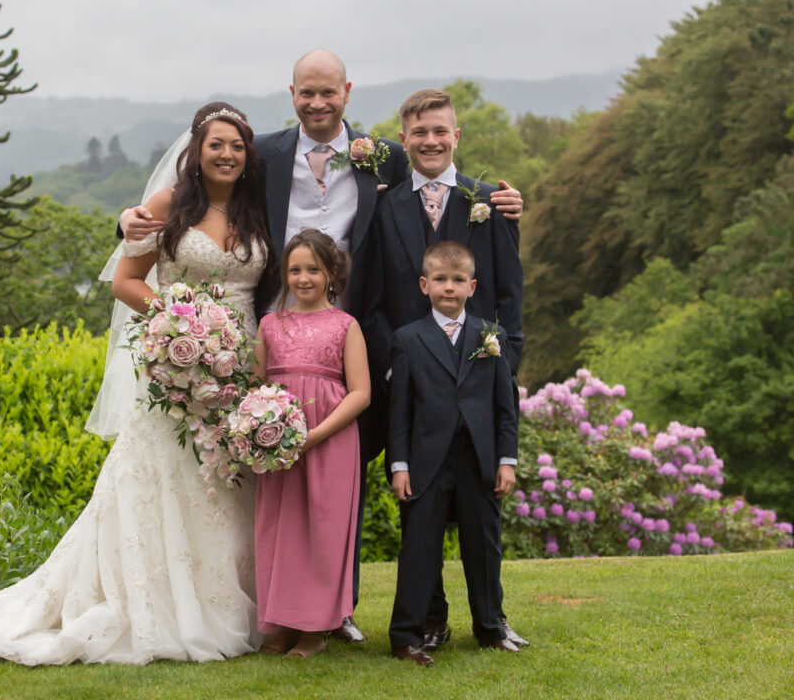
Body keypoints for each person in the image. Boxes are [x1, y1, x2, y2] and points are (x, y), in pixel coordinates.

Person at [0, 102, 272, 670]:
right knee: (169, 478)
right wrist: (181, 323)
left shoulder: (258, 209)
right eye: (216, 145)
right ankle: (164, 606)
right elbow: (125, 281)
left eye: (236, 146)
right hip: (179, 365)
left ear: (247, 154)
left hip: (242, 367)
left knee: (227, 486)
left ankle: (239, 603)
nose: (227, 154)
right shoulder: (165, 207)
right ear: (196, 152)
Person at [121, 50, 525, 644]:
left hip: (357, 334)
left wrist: (504, 199)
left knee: (344, 479)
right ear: (292, 95)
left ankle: (340, 610)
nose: (317, 102)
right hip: (272, 333)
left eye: (327, 92)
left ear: (347, 92)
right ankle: (274, 606)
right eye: (306, 93)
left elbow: (438, 173)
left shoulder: (381, 154)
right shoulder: (266, 155)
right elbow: (202, 190)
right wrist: (129, 225)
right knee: (270, 475)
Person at [366, 88, 527, 651]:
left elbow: (508, 292)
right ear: (403, 138)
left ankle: (494, 620)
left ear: (456, 136)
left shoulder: (490, 201)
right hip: (411, 391)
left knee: (485, 520)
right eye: (419, 132)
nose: (430, 141)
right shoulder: (384, 208)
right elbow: (375, 299)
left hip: (480, 387)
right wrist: (393, 371)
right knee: (421, 520)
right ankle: (428, 619)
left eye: (440, 131)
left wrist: (506, 367)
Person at [386, 241, 518, 667]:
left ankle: (490, 628)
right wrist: (399, 465)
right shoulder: (407, 339)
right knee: (419, 550)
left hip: (479, 462)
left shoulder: (491, 337)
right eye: (440, 280)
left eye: (458, 280)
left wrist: (506, 460)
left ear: (472, 286)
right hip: (426, 462)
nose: (449, 287)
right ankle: (407, 636)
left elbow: (505, 407)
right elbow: (400, 410)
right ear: (425, 285)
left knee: (483, 547)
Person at [251, 230, 370, 658]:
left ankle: (316, 630)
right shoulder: (270, 323)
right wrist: (260, 427)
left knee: (322, 529)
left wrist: (315, 435)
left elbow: (360, 392)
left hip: (329, 438)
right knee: (278, 528)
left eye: (313, 269)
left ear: (332, 273)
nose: (303, 278)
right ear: (284, 274)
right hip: (279, 443)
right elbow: (255, 384)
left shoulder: (346, 325)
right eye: (295, 269)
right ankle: (281, 624)